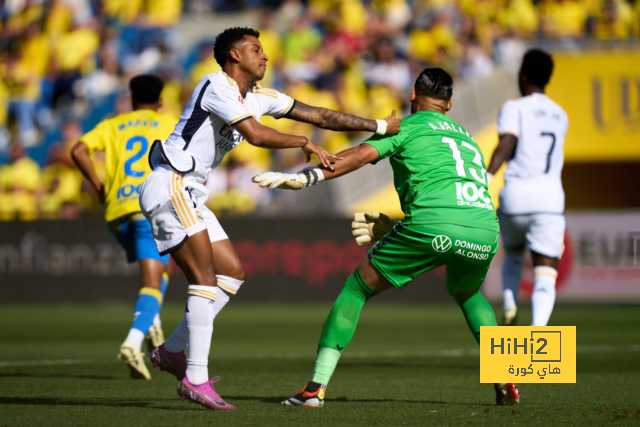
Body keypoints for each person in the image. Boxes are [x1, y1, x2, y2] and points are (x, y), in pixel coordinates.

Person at [140, 27, 401, 410]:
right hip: (172, 182)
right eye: (255, 49)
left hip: (191, 190)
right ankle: (194, 378)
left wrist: (375, 126)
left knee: (231, 274)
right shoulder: (216, 86)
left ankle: (174, 350)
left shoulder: (258, 95)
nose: (265, 56)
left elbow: (317, 114)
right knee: (205, 281)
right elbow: (256, 135)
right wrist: (303, 142)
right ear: (234, 56)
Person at [254, 67, 519, 407]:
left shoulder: (406, 127)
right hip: (484, 227)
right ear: (449, 105)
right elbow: (453, 196)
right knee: (468, 292)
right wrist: (397, 229)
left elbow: (359, 156)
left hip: (433, 224)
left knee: (357, 288)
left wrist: (309, 177)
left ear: (412, 95)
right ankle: (506, 376)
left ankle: (314, 389)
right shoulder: (466, 138)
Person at [71, 75, 177, 380]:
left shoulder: (113, 124)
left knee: (162, 269)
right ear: (160, 101)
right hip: (151, 209)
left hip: (117, 211)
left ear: (131, 100)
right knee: (153, 282)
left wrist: (99, 186)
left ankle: (152, 321)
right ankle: (133, 340)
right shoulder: (169, 123)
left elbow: (78, 151)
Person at [486, 49, 568, 327]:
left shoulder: (514, 107)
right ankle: (539, 331)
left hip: (515, 199)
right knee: (546, 272)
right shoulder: (561, 114)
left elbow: (507, 143)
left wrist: (486, 177)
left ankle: (509, 305)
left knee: (514, 254)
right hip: (549, 201)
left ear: (523, 77)